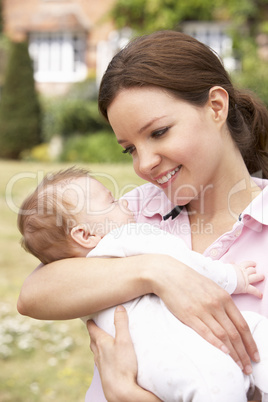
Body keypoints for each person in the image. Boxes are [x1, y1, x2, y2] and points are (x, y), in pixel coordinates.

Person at [17, 30, 268, 401]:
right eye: (129, 149)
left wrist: (127, 395)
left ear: (216, 106)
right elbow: (35, 294)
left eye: (160, 132)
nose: (145, 163)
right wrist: (158, 272)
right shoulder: (133, 213)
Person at [17, 167, 267, 401]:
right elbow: (185, 263)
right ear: (85, 235)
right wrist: (234, 277)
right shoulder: (126, 234)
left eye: (159, 132)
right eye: (113, 202)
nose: (125, 203)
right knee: (245, 345)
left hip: (152, 369)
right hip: (183, 353)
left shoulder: (85, 272)